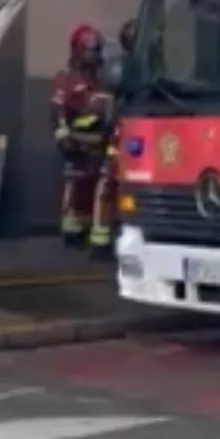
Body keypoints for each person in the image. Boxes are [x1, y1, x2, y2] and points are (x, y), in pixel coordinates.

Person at [51, 23, 109, 246]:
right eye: (89, 50)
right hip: (77, 142)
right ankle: (72, 229)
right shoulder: (66, 80)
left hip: (103, 142)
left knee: (105, 184)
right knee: (74, 183)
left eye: (96, 50)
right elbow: (57, 111)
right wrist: (64, 138)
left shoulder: (104, 79)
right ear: (77, 50)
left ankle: (100, 235)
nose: (93, 55)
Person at [86, 18, 138, 259]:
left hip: (146, 130)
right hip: (122, 133)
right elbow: (108, 100)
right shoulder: (123, 68)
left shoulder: (157, 64)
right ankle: (101, 239)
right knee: (108, 181)